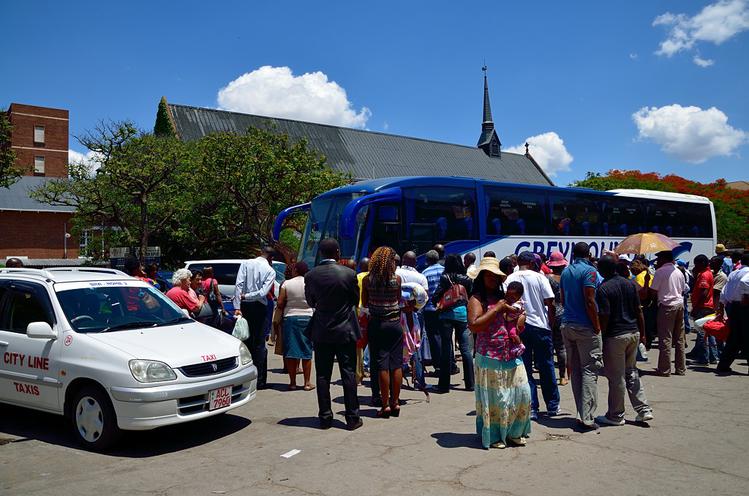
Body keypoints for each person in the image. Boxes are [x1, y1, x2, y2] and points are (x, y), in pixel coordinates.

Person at [467, 257, 531, 449]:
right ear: (482, 277)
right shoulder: (476, 299)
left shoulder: (505, 296)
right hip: (489, 355)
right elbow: (474, 325)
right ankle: (495, 435)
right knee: (497, 398)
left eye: (496, 276)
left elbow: (516, 317)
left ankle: (514, 432)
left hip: (509, 352)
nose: (494, 279)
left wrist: (521, 318)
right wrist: (497, 310)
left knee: (522, 392)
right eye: (490, 276)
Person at [304, 238, 362, 430]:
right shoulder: (349, 274)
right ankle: (352, 417)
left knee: (322, 375)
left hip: (322, 330)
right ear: (337, 253)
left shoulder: (311, 275)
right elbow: (355, 299)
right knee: (348, 373)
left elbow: (311, 302)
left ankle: (325, 417)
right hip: (345, 330)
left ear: (321, 253)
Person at [595, 255, 654, 426]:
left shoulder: (604, 288)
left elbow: (604, 315)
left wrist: (602, 336)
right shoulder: (629, 284)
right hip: (633, 332)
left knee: (616, 377)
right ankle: (644, 410)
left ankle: (615, 415)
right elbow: (638, 310)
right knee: (632, 372)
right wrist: (642, 334)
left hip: (615, 336)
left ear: (602, 270)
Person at [506, 251, 559, 420]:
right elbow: (550, 303)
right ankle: (552, 405)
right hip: (541, 326)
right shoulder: (539, 277)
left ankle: (532, 407)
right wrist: (550, 324)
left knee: (525, 368)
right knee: (546, 365)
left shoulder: (509, 279)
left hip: (519, 328)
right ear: (531, 263)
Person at [560, 242, 601, 429]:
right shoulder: (589, 271)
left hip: (567, 324)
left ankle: (580, 412)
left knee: (576, 370)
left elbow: (563, 297)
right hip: (585, 326)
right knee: (590, 371)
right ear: (589, 254)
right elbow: (590, 300)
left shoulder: (566, 272)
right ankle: (587, 417)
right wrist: (597, 326)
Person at [362, 246, 404, 417]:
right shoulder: (397, 279)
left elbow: (365, 302)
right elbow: (399, 299)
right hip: (394, 324)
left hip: (377, 324)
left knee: (381, 364)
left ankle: (385, 404)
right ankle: (395, 402)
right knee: (396, 364)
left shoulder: (367, 280)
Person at [234, 246, 276, 390]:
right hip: (259, 307)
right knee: (259, 343)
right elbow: (263, 292)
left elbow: (239, 284)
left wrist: (237, 305)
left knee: (246, 341)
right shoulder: (270, 271)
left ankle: (246, 377)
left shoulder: (246, 263)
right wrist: (247, 296)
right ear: (271, 258)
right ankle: (260, 380)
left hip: (245, 306)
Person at [433, 253, 474, 392]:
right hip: (462, 315)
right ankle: (470, 384)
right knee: (465, 349)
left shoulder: (445, 278)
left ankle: (444, 386)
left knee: (446, 349)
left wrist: (437, 304)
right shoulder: (467, 279)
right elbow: (471, 296)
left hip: (446, 315)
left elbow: (437, 294)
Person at [275, 262, 314, 391]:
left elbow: (280, 302)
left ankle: (292, 383)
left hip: (290, 318)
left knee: (291, 351)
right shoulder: (310, 283)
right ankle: (307, 383)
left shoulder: (287, 283)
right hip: (307, 317)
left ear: (296, 270)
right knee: (306, 351)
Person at [649, 250, 687, 376]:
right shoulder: (679, 271)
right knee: (679, 338)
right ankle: (680, 368)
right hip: (679, 304)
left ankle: (665, 369)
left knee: (666, 338)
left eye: (659, 259)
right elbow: (682, 289)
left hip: (666, 306)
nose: (657, 262)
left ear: (663, 259)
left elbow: (653, 291)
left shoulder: (660, 272)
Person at [397, 251, 429, 391]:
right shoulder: (421, 277)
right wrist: (413, 308)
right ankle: (419, 381)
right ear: (415, 262)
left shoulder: (396, 273)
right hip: (414, 314)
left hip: (397, 313)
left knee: (398, 345)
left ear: (402, 260)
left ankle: (398, 374)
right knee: (416, 346)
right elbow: (425, 298)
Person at [715, 253, 749, 375]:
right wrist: (746, 297)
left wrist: (721, 305)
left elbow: (724, 291)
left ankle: (723, 364)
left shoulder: (734, 273)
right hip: (744, 306)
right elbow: (745, 282)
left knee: (734, 337)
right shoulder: (747, 273)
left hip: (733, 306)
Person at [686, 255, 717, 365]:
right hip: (708, 307)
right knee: (709, 332)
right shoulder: (707, 273)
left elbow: (703, 293)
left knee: (702, 334)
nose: (695, 266)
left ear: (702, 263)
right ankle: (713, 357)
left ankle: (703, 358)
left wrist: (696, 308)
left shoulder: (704, 275)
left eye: (697, 264)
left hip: (703, 307)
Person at [546, 251, 569, 386]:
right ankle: (563, 376)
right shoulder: (567, 277)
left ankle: (550, 375)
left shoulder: (549, 278)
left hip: (552, 312)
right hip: (566, 312)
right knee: (562, 347)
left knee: (551, 346)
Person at [422, 250, 445, 377]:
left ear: (428, 260)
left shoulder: (425, 273)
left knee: (434, 338)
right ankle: (448, 364)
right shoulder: (445, 271)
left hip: (430, 309)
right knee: (445, 337)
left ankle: (438, 366)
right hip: (445, 308)